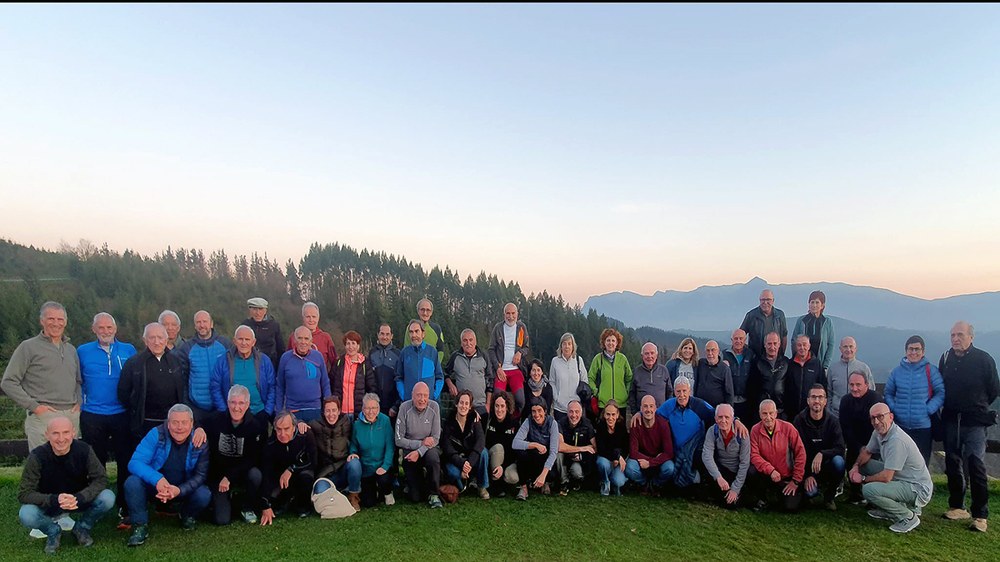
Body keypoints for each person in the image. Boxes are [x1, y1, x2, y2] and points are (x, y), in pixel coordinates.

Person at [18, 416, 114, 554]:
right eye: (55, 433)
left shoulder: (84, 450)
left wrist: (80, 497)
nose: (61, 438)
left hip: (78, 500)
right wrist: (54, 499)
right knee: (26, 513)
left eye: (66, 432)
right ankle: (53, 531)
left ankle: (82, 527)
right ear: (47, 435)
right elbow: (24, 493)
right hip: (50, 502)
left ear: (73, 433)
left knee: (108, 497)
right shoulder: (37, 456)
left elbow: (101, 479)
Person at [938, 321, 999, 533]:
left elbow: (993, 389)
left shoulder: (984, 360)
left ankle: (980, 515)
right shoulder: (946, 358)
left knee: (976, 465)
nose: (956, 339)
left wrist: (976, 405)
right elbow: (941, 387)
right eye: (953, 335)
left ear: (971, 337)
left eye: (960, 335)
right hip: (951, 420)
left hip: (975, 421)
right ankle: (957, 506)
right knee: (953, 463)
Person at [76, 312, 136, 521]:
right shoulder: (82, 351)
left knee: (125, 461)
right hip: (93, 415)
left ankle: (124, 504)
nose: (105, 331)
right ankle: (96, 503)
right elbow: (75, 379)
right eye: (100, 328)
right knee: (94, 462)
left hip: (122, 414)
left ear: (115, 329)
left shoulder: (128, 350)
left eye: (109, 328)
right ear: (94, 330)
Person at [124, 404, 210, 547]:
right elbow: (135, 463)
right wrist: (157, 480)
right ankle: (140, 525)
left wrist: (179, 490)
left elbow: (201, 475)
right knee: (132, 483)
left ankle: (186, 515)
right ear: (168, 423)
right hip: (155, 487)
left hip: (182, 488)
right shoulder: (155, 434)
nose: (179, 427)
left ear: (192, 424)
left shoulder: (200, 441)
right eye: (175, 422)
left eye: (184, 422)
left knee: (204, 494)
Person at [2, 301, 81, 451]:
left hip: (70, 416)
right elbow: (8, 382)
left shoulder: (71, 350)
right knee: (42, 465)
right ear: (42, 321)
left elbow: (77, 381)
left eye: (60, 319)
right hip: (43, 417)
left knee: (69, 465)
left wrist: (79, 403)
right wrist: (35, 407)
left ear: (65, 322)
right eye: (51, 319)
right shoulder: (28, 347)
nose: (56, 323)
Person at [848, 403, 933, 534]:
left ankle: (908, 517)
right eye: (873, 418)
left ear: (891, 417)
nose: (876, 422)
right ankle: (889, 510)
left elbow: (886, 477)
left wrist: (863, 478)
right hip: (901, 477)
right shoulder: (878, 432)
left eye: (880, 416)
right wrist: (855, 467)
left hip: (916, 488)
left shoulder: (897, 440)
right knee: (864, 465)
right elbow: (867, 451)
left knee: (868, 490)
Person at [201, 385, 266, 526]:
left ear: (247, 404)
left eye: (241, 403)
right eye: (233, 402)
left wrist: (229, 477)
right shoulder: (216, 420)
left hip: (241, 472)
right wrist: (199, 428)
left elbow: (252, 459)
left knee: (255, 475)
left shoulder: (255, 425)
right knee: (222, 520)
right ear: (227, 402)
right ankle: (227, 501)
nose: (237, 408)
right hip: (219, 475)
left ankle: (246, 506)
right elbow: (197, 421)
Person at [118, 323, 188, 442]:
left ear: (166, 340)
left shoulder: (175, 360)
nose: (157, 342)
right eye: (152, 338)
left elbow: (183, 388)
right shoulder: (134, 363)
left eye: (160, 338)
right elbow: (123, 393)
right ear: (145, 340)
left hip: (172, 423)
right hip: (144, 423)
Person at [884, 335, 944, 464]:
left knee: (921, 464)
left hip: (923, 427)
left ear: (923, 351)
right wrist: (895, 408)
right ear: (906, 351)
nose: (914, 352)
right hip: (900, 426)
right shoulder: (897, 372)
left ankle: (922, 485)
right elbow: (888, 393)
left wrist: (928, 409)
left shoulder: (931, 371)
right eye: (911, 349)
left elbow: (940, 393)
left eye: (917, 349)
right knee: (899, 463)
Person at [792, 385, 846, 510]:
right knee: (811, 493)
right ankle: (808, 492)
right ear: (808, 400)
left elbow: (840, 448)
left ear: (825, 401)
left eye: (820, 397)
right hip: (806, 466)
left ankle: (829, 497)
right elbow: (795, 451)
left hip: (826, 465)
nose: (817, 400)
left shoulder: (833, 421)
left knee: (839, 462)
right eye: (814, 397)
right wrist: (807, 475)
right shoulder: (799, 420)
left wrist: (822, 453)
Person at [259, 411, 318, 524]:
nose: (282, 433)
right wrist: (265, 504)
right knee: (272, 497)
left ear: (294, 427)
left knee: (306, 478)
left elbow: (313, 462)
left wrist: (291, 469)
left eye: (286, 429)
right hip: (280, 479)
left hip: (301, 472)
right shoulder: (270, 444)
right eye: (279, 429)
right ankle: (285, 499)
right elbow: (266, 472)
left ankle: (303, 505)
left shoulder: (306, 435)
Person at [210, 325, 276, 425]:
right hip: (233, 414)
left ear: (253, 342)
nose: (244, 343)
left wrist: (267, 412)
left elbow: (272, 387)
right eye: (240, 339)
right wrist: (224, 410)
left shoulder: (264, 361)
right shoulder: (224, 360)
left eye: (247, 339)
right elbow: (215, 386)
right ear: (234, 341)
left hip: (258, 412)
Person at [748, 399, 806, 513]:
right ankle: (762, 498)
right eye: (764, 413)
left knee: (790, 508)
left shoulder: (788, 428)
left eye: (771, 413)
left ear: (776, 413)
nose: (768, 417)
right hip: (768, 475)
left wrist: (795, 481)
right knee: (751, 471)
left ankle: (793, 495)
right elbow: (754, 455)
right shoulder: (755, 430)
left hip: (787, 477)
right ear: (760, 414)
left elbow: (801, 453)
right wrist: (771, 470)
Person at [176, 310, 232, 422]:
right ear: (195, 326)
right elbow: (183, 379)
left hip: (221, 406)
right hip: (197, 408)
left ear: (211, 324)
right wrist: (188, 405)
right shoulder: (186, 348)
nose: (202, 325)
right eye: (198, 322)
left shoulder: (225, 344)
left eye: (205, 321)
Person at [395, 382, 443, 508]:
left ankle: (434, 494)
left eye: (425, 396)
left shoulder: (435, 407)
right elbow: (398, 439)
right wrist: (420, 444)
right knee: (415, 498)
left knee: (433, 457)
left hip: (428, 450)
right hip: (410, 454)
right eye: (419, 395)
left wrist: (420, 451)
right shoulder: (404, 408)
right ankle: (415, 484)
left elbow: (436, 438)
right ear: (412, 395)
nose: (422, 399)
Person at [310, 396, 362, 511]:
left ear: (339, 411)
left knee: (355, 463)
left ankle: (353, 496)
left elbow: (356, 438)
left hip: (343, 468)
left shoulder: (347, 423)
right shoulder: (315, 425)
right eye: (328, 411)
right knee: (320, 492)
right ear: (323, 412)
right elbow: (298, 425)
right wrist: (299, 423)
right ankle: (337, 495)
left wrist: (353, 452)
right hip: (325, 474)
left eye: (334, 410)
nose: (331, 414)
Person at [839, 371, 882, 504]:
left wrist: (869, 449)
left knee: (873, 468)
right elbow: (845, 427)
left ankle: (874, 498)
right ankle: (856, 494)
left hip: (875, 444)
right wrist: (858, 447)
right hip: (854, 443)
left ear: (866, 385)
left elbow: (879, 427)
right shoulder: (845, 400)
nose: (854, 388)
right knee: (851, 463)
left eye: (858, 384)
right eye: (851, 385)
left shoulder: (875, 399)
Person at [348, 394, 396, 507]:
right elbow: (354, 444)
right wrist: (352, 453)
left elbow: (390, 446)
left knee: (384, 479)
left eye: (374, 408)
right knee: (369, 503)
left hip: (382, 466)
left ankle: (387, 492)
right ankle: (375, 491)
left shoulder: (385, 421)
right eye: (368, 408)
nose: (371, 412)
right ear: (363, 409)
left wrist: (385, 466)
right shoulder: (357, 425)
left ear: (378, 409)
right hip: (367, 467)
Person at [275, 326, 330, 423]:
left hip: (314, 409)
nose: (303, 342)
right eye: (299, 338)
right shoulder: (285, 358)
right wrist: (279, 412)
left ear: (311, 341)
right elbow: (280, 386)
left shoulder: (318, 356)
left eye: (306, 338)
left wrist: (328, 406)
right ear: (294, 340)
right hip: (292, 410)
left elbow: (325, 383)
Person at [442, 390, 490, 499]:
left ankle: (482, 486)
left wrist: (469, 463)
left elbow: (480, 441)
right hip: (456, 459)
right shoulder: (449, 421)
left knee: (484, 452)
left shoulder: (475, 419)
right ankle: (463, 483)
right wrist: (462, 464)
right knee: (452, 472)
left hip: (471, 458)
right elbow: (447, 447)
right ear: (456, 404)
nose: (463, 406)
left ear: (470, 407)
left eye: (466, 403)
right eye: (461, 403)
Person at [702, 403, 750, 509]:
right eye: (720, 417)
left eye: (727, 417)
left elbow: (744, 463)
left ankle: (740, 493)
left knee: (731, 504)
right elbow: (707, 455)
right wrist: (718, 477)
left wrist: (735, 489)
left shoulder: (742, 434)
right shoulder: (712, 431)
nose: (723, 420)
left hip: (736, 472)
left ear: (733, 419)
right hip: (721, 471)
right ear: (715, 418)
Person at [512, 397, 560, 501]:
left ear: (545, 411)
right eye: (534, 411)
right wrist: (534, 444)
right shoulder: (528, 421)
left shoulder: (553, 423)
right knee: (521, 452)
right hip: (532, 458)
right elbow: (515, 443)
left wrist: (543, 474)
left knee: (552, 472)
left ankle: (545, 482)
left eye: (539, 411)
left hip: (545, 462)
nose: (536, 415)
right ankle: (524, 488)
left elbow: (553, 452)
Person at [626, 395, 675, 495]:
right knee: (630, 467)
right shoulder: (636, 424)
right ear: (640, 409)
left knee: (670, 468)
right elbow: (633, 452)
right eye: (645, 406)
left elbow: (669, 453)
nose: (648, 410)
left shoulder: (663, 424)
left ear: (656, 408)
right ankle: (644, 484)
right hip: (642, 460)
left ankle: (655, 484)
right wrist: (649, 460)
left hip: (658, 461)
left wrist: (651, 463)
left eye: (651, 406)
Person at [489, 303, 531, 414]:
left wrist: (520, 353)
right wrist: (497, 367)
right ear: (504, 314)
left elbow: (526, 347)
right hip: (501, 370)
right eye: (508, 313)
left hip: (516, 370)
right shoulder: (498, 328)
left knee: (521, 400)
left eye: (513, 313)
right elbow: (491, 349)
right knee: (497, 399)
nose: (510, 316)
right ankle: (497, 424)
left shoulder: (521, 328)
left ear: (517, 314)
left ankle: (514, 423)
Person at [444, 329, 494, 418]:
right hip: (461, 406)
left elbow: (490, 379)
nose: (468, 343)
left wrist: (488, 404)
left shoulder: (483, 356)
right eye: (465, 340)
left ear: (475, 342)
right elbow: (445, 373)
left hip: (480, 405)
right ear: (461, 343)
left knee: (480, 432)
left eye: (471, 340)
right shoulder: (455, 356)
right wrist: (450, 384)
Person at [395, 320, 444, 404]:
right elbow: (399, 377)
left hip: (428, 403)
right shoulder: (404, 353)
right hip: (409, 403)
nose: (414, 335)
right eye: (411, 332)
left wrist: (434, 396)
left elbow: (439, 377)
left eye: (417, 331)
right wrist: (404, 396)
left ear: (423, 333)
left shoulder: (432, 352)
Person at [331, 330, 373, 421]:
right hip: (341, 412)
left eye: (353, 343)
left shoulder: (365, 364)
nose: (351, 347)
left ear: (358, 346)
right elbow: (332, 384)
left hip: (359, 411)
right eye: (348, 344)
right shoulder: (339, 363)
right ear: (345, 346)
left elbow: (371, 388)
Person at [588, 328, 633, 413]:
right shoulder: (598, 359)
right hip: (603, 404)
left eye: (613, 341)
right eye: (608, 340)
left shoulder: (623, 359)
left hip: (620, 404)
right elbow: (590, 378)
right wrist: (597, 392)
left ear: (617, 343)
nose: (610, 343)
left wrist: (626, 393)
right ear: (604, 342)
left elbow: (629, 378)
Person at [827, 337, 874, 416]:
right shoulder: (832, 369)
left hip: (860, 415)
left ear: (855, 349)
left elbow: (871, 391)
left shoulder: (864, 368)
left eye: (851, 346)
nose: (848, 349)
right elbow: (829, 393)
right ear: (840, 349)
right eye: (845, 346)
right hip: (836, 415)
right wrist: (829, 412)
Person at [549, 333, 590, 425]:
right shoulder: (555, 361)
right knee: (561, 435)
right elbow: (551, 381)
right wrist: (557, 398)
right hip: (560, 407)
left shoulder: (579, 360)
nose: (567, 346)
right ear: (561, 346)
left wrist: (579, 400)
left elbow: (584, 380)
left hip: (576, 408)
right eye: (564, 344)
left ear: (573, 346)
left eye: (569, 344)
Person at [747, 332, 788, 423]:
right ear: (764, 345)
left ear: (779, 344)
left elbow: (790, 387)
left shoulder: (786, 363)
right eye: (769, 343)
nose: (772, 347)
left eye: (775, 343)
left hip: (781, 412)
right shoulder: (756, 363)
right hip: (762, 413)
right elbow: (751, 389)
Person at [557, 400, 596, 494]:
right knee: (557, 454)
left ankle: (577, 481)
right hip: (565, 456)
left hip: (579, 459)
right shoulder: (560, 423)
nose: (574, 415)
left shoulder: (587, 424)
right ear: (567, 412)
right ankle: (564, 482)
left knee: (577, 472)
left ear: (581, 413)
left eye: (577, 412)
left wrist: (582, 455)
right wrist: (582, 448)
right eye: (571, 411)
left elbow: (594, 447)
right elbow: (560, 446)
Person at [484, 391, 520, 496]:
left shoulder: (514, 424)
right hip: (492, 457)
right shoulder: (488, 420)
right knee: (498, 448)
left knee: (513, 477)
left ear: (507, 407)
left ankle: (503, 482)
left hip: (507, 461)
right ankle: (496, 485)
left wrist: (502, 466)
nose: (499, 409)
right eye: (496, 406)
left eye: (502, 406)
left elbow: (514, 451)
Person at [791, 291, 835, 374]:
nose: (814, 305)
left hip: (820, 366)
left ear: (822, 305)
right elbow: (794, 340)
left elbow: (831, 345)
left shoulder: (827, 322)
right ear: (809, 304)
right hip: (802, 365)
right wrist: (796, 360)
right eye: (812, 302)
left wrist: (825, 366)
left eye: (817, 302)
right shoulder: (801, 321)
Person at [286, 302, 337, 372]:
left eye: (314, 316)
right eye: (308, 317)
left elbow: (335, 363)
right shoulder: (294, 336)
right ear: (303, 318)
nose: (311, 320)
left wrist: (329, 379)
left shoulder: (326, 338)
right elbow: (287, 361)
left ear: (318, 318)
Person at [785, 335, 827, 421]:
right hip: (791, 412)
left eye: (804, 345)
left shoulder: (817, 364)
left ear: (809, 346)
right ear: (796, 347)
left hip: (811, 411)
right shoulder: (790, 364)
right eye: (799, 345)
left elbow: (823, 386)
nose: (802, 348)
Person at [740, 289, 788, 360]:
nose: (765, 302)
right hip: (756, 358)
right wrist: (748, 353)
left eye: (768, 299)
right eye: (762, 300)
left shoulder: (780, 315)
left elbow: (784, 336)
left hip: (775, 358)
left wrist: (781, 354)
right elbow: (741, 335)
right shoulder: (751, 315)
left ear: (773, 301)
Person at [595, 400, 629, 496]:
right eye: (608, 414)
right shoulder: (600, 427)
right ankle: (605, 483)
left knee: (619, 481)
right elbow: (601, 449)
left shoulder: (621, 427)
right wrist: (616, 457)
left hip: (617, 463)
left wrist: (620, 458)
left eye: (613, 414)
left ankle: (615, 485)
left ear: (617, 415)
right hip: (605, 459)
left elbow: (626, 447)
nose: (610, 418)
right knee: (602, 463)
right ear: (604, 415)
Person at [367, 323, 402, 418]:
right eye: (382, 334)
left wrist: (396, 405)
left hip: (392, 406)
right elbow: (368, 380)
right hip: (375, 405)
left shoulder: (398, 354)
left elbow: (401, 380)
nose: (385, 337)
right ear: (378, 335)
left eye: (387, 334)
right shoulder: (372, 353)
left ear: (392, 336)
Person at [629, 342, 672, 414]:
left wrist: (668, 410)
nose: (649, 356)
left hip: (661, 414)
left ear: (656, 355)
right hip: (642, 415)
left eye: (652, 353)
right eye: (646, 353)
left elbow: (670, 392)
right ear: (642, 356)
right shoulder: (637, 371)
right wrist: (635, 412)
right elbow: (632, 394)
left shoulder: (663, 370)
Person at [722, 329, 755, 423]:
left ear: (745, 340)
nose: (738, 341)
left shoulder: (751, 354)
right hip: (729, 400)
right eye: (736, 338)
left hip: (747, 401)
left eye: (741, 338)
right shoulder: (724, 354)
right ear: (731, 340)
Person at [244, 297, 284, 369]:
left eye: (260, 309)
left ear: (265, 310)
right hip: (249, 365)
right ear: (250, 310)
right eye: (254, 309)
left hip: (270, 365)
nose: (258, 313)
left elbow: (280, 349)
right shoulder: (245, 325)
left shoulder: (273, 325)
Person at [404, 298, 445, 365]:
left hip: (431, 370)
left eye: (428, 310)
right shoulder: (410, 327)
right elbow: (406, 349)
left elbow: (441, 351)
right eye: (422, 310)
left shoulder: (436, 328)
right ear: (418, 311)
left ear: (431, 312)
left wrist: (434, 365)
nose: (425, 313)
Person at [694, 340, 734, 407]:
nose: (710, 353)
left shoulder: (724, 369)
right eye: (708, 350)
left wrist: (729, 410)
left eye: (713, 350)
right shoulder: (700, 363)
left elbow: (729, 393)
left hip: (716, 409)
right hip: (699, 407)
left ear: (718, 351)